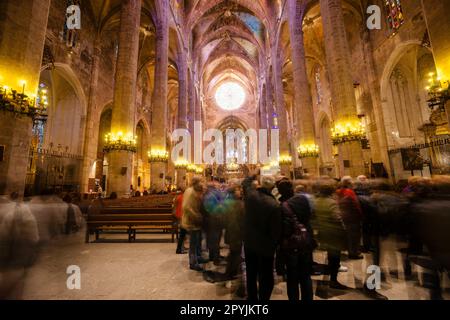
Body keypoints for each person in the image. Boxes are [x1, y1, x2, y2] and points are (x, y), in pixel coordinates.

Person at [242, 175, 282, 301]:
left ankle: (252, 298)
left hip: (249, 243)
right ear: (273, 187)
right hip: (265, 246)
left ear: (260, 184)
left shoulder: (250, 197)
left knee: (251, 273)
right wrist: (275, 245)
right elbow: (276, 231)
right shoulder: (274, 205)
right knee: (266, 275)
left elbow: (245, 182)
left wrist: (254, 173)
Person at [280, 181, 314, 300]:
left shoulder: (283, 205)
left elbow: (285, 229)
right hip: (305, 242)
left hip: (292, 245)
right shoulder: (303, 201)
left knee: (292, 277)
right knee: (305, 276)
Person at [313, 180, 349, 291]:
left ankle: (331, 276)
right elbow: (337, 218)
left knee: (330, 256)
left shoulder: (316, 201)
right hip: (333, 234)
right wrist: (344, 229)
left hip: (322, 232)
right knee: (335, 258)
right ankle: (333, 280)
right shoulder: (331, 202)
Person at [181, 177, 206, 271]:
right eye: (201, 182)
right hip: (191, 221)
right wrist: (196, 215)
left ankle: (197, 258)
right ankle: (193, 262)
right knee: (193, 243)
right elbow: (186, 207)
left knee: (196, 242)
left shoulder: (192, 190)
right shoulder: (190, 191)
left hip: (194, 220)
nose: (203, 184)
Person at [336, 176, 363, 259]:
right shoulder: (349, 192)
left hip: (342, 215)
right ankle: (353, 253)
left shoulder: (338, 191)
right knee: (354, 236)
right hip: (352, 216)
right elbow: (356, 204)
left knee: (347, 235)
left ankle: (350, 250)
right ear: (349, 183)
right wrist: (360, 215)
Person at [173, 189, 187, 254]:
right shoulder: (183, 198)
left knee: (182, 234)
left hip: (178, 216)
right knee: (182, 234)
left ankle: (182, 247)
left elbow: (174, 207)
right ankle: (179, 248)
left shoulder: (177, 197)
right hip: (182, 216)